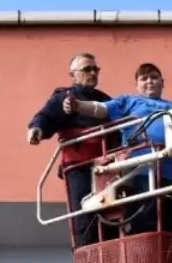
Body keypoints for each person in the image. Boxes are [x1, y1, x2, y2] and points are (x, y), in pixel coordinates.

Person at [64, 62, 172, 234]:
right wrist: (78, 105)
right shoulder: (128, 101)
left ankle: (161, 258)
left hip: (169, 171)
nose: (150, 82)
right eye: (144, 78)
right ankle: (141, 257)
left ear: (162, 82)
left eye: (154, 78)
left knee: (167, 222)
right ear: (136, 85)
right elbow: (101, 109)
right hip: (140, 169)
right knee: (145, 219)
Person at [27, 53, 118, 248]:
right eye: (87, 69)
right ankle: (87, 259)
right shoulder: (64, 97)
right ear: (73, 74)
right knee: (84, 216)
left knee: (112, 217)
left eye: (96, 69)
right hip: (79, 166)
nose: (93, 73)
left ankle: (112, 262)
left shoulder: (105, 101)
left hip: (108, 167)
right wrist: (36, 129)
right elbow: (46, 116)